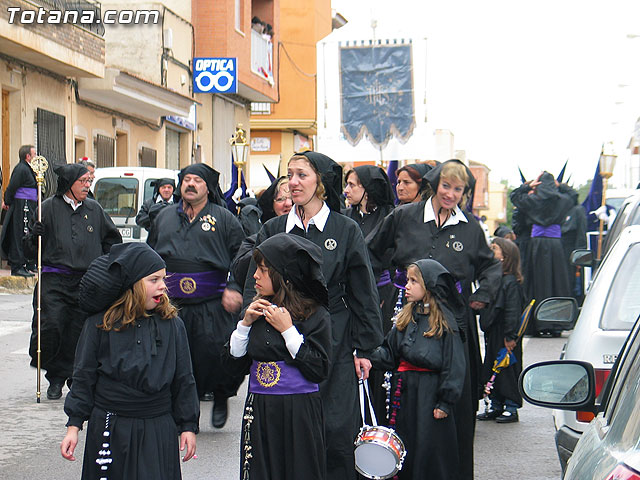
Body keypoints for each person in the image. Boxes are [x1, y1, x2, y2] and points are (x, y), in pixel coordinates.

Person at [243, 151, 383, 480]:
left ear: (320, 182)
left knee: (334, 427)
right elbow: (255, 284)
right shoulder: (273, 228)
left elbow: (363, 290)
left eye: (301, 175)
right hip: (281, 336)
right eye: (289, 175)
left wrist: (365, 348)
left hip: (332, 335)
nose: (293, 182)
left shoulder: (345, 229)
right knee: (287, 429)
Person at [368, 159, 502, 480]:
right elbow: (369, 252)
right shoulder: (403, 216)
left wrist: (478, 297)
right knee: (393, 392)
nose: (451, 194)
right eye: (446, 186)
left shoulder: (470, 228)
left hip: (453, 320)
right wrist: (377, 294)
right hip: (404, 312)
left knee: (454, 400)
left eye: (458, 189)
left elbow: (491, 267)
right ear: (434, 184)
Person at [61, 242, 199, 479]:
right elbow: (83, 376)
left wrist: (188, 425)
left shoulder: (173, 324)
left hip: (157, 428)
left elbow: (184, 378)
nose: (163, 286)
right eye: (153, 280)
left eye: (163, 279)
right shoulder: (99, 325)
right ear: (133, 284)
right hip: (110, 427)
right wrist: (73, 427)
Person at [225, 233, 331, 480]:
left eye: (262, 270)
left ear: (283, 275)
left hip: (299, 411)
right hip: (260, 408)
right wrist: (244, 325)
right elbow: (232, 368)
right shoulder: (257, 310)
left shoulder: (314, 313)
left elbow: (319, 368)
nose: (255, 276)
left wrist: (288, 331)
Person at [147, 163, 245, 428]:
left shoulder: (224, 219)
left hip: (212, 302)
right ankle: (186, 416)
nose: (190, 184)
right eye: (186, 179)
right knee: (177, 358)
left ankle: (222, 395)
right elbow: (149, 255)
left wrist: (234, 287)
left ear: (208, 187)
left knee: (216, 356)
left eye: (197, 180)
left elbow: (243, 255)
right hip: (171, 303)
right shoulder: (164, 217)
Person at [23, 163, 122, 400]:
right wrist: (33, 236)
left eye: (89, 181)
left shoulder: (95, 210)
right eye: (83, 182)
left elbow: (112, 240)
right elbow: (29, 250)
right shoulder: (46, 208)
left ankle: (68, 377)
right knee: (52, 326)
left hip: (85, 281)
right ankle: (54, 373)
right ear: (69, 184)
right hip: (54, 280)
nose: (88, 186)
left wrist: (107, 267)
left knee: (78, 332)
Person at [364, 259, 466, 480]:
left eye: (413, 281)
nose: (406, 286)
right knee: (407, 445)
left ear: (428, 286)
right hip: (405, 395)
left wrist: (445, 402)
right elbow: (389, 354)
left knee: (430, 450)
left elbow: (454, 364)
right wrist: (364, 353)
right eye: (407, 280)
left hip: (430, 396)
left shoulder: (445, 323)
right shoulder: (406, 318)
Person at [343, 165, 397, 420]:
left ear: (368, 189)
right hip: (347, 298)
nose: (346, 190)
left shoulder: (391, 218)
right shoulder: (344, 217)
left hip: (381, 296)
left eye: (352, 185)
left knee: (374, 353)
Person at [510, 172, 573, 336]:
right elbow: (574, 195)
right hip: (555, 245)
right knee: (557, 282)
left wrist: (528, 186)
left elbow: (514, 196)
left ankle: (536, 324)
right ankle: (556, 323)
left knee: (536, 281)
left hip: (536, 245)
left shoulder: (532, 201)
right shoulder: (563, 201)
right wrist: (561, 186)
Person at [477, 237, 525, 423]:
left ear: (505, 256)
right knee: (492, 366)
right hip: (493, 331)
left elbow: (513, 311)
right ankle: (495, 404)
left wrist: (510, 336)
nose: (491, 250)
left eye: (495, 248)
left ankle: (511, 406)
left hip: (505, 333)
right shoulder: (496, 278)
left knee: (507, 369)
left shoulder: (510, 282)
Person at [230, 176, 292, 295]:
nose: (288, 204)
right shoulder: (257, 238)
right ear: (271, 206)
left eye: (292, 198)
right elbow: (240, 273)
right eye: (280, 199)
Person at [1, 145, 38, 277]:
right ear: (28, 156)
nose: (35, 157)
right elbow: (12, 186)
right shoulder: (21, 169)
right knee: (19, 234)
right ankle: (17, 266)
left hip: (30, 204)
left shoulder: (30, 169)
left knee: (29, 233)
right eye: (34, 154)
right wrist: (7, 201)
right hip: (22, 205)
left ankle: (29, 263)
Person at [560, 184, 587, 304]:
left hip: (572, 253)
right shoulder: (559, 211)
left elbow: (581, 235)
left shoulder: (578, 210)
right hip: (559, 253)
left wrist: (579, 258)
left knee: (573, 285)